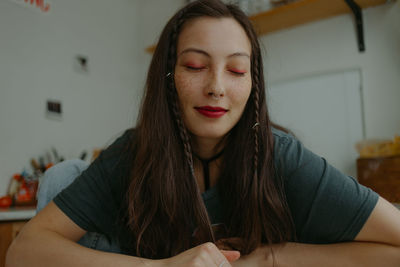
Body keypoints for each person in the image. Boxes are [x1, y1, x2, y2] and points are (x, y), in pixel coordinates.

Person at [6, 0, 400, 266]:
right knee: (61, 176)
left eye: (236, 70)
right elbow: (24, 251)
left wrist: (274, 256)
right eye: (195, 66)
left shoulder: (282, 157)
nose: (216, 86)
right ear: (168, 76)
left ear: (254, 84)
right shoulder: (132, 154)